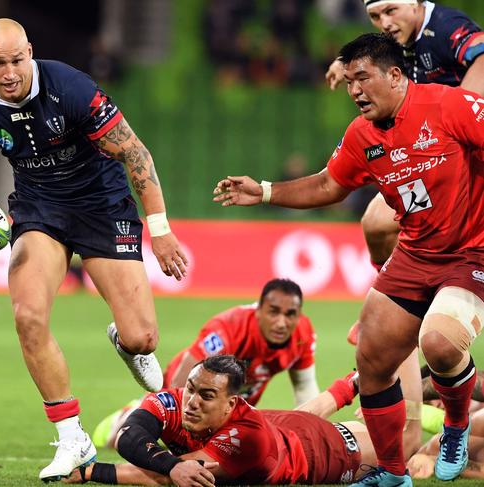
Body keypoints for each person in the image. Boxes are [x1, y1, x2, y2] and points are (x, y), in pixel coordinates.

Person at [213, 33, 484, 486]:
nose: (353, 89)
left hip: (471, 252)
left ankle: (455, 426)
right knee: (372, 361)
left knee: (438, 343)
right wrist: (262, 191)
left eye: (363, 78)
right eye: (349, 80)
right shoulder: (363, 135)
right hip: (415, 254)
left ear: (395, 76)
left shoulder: (451, 106)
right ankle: (394, 474)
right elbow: (327, 185)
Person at [0, 18, 188, 482]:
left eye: (17, 60)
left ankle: (125, 342)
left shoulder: (71, 87)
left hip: (101, 204)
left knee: (142, 338)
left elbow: (136, 154)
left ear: (29, 52)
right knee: (28, 316)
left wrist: (161, 229)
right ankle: (72, 436)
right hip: (40, 210)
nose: (9, 72)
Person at [63, 354, 421, 486]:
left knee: (408, 441)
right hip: (284, 428)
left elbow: (174, 475)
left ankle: (400, 341)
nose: (191, 402)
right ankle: (354, 382)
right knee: (300, 417)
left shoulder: (244, 438)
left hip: (333, 451)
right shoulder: (179, 400)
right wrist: (169, 462)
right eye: (190, 389)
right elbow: (129, 434)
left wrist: (96, 472)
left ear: (230, 404)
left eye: (206, 396)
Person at [325, 0, 484, 271]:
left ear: (415, 4)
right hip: (429, 162)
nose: (384, 22)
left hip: (466, 156)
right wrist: (346, 62)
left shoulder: (445, 26)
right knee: (375, 224)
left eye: (390, 11)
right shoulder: (398, 39)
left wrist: (462, 105)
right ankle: (401, 297)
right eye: (375, 16)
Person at [92, 278, 320, 448]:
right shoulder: (228, 328)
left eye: (290, 314)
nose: (282, 323)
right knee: (128, 440)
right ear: (259, 310)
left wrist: (309, 435)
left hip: (229, 407)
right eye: (273, 312)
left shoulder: (303, 333)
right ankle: (129, 414)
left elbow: (304, 388)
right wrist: (179, 438)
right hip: (183, 395)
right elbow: (183, 380)